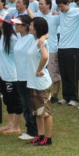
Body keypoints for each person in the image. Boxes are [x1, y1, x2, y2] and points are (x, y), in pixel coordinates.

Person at [0, 13, 22, 135]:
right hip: (3, 74)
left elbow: (18, 56)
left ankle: (16, 126)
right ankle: (10, 123)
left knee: (15, 100)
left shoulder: (12, 39)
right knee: (7, 100)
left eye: (0, 20)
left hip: (11, 75)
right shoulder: (1, 36)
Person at [11, 15, 39, 141]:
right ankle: (29, 129)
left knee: (29, 104)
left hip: (29, 76)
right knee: (24, 104)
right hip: (20, 76)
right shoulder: (19, 38)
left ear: (25, 26)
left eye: (18, 24)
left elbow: (45, 35)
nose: (15, 26)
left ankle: (33, 131)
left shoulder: (31, 38)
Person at [27, 17, 54, 146]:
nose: (29, 27)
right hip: (34, 82)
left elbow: (45, 56)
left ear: (38, 27)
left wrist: (38, 70)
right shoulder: (36, 40)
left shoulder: (41, 42)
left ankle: (48, 138)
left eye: (32, 25)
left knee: (45, 112)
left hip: (41, 82)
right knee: (37, 111)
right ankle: (40, 135)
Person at [56, 0, 79, 106]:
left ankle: (74, 97)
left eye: (62, 6)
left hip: (73, 47)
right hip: (61, 47)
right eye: (58, 7)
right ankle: (65, 96)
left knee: (72, 74)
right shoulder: (61, 13)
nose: (60, 9)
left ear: (67, 4)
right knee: (64, 74)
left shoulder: (77, 12)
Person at [35, 0, 61, 103]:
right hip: (38, 49)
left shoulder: (55, 17)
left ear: (48, 5)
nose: (40, 6)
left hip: (51, 48)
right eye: (39, 4)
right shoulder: (37, 16)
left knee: (53, 72)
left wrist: (58, 13)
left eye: (42, 4)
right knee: (40, 71)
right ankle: (42, 92)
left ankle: (55, 94)